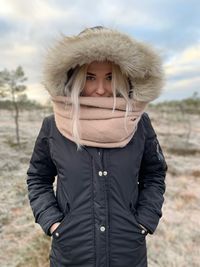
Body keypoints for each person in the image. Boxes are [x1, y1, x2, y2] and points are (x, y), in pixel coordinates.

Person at [26, 26, 168, 267]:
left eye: (110, 77)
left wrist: (145, 220)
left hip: (127, 254)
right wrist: (53, 222)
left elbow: (154, 174)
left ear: (124, 78)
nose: (101, 89)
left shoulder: (139, 124)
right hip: (71, 254)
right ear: (76, 78)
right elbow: (38, 178)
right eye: (90, 77)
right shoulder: (53, 126)